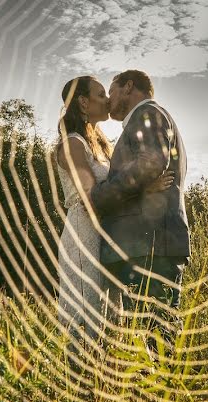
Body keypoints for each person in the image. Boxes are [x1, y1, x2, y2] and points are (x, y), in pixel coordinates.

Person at [54, 75, 172, 343]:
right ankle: (78, 378)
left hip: (107, 234)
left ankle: (104, 379)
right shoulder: (73, 143)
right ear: (83, 103)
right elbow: (89, 198)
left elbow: (114, 188)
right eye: (100, 94)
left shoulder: (102, 144)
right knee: (86, 312)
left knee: (111, 317)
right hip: (84, 235)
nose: (108, 100)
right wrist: (144, 189)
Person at [80, 69, 190, 350]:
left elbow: (151, 163)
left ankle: (161, 392)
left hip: (149, 246)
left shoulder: (148, 115)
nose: (108, 99)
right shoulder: (145, 120)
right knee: (146, 341)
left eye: (112, 90)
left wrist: (100, 196)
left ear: (128, 87)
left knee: (155, 341)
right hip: (146, 247)